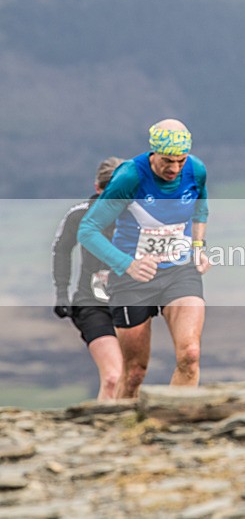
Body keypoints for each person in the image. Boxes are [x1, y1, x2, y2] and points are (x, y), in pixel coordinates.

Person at [78, 119, 210, 399]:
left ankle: (176, 427)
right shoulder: (130, 177)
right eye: (167, 161)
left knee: (191, 355)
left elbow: (201, 209)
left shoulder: (196, 170)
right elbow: (87, 231)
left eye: (180, 161)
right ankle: (122, 433)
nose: (174, 169)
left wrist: (198, 245)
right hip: (133, 279)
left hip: (179, 270)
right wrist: (127, 264)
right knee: (135, 372)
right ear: (154, 154)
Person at [52, 157, 125, 400]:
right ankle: (108, 430)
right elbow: (62, 248)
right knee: (114, 377)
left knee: (131, 378)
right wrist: (62, 292)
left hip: (129, 304)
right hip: (90, 303)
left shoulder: (137, 217)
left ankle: (123, 430)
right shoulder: (80, 215)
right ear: (97, 188)